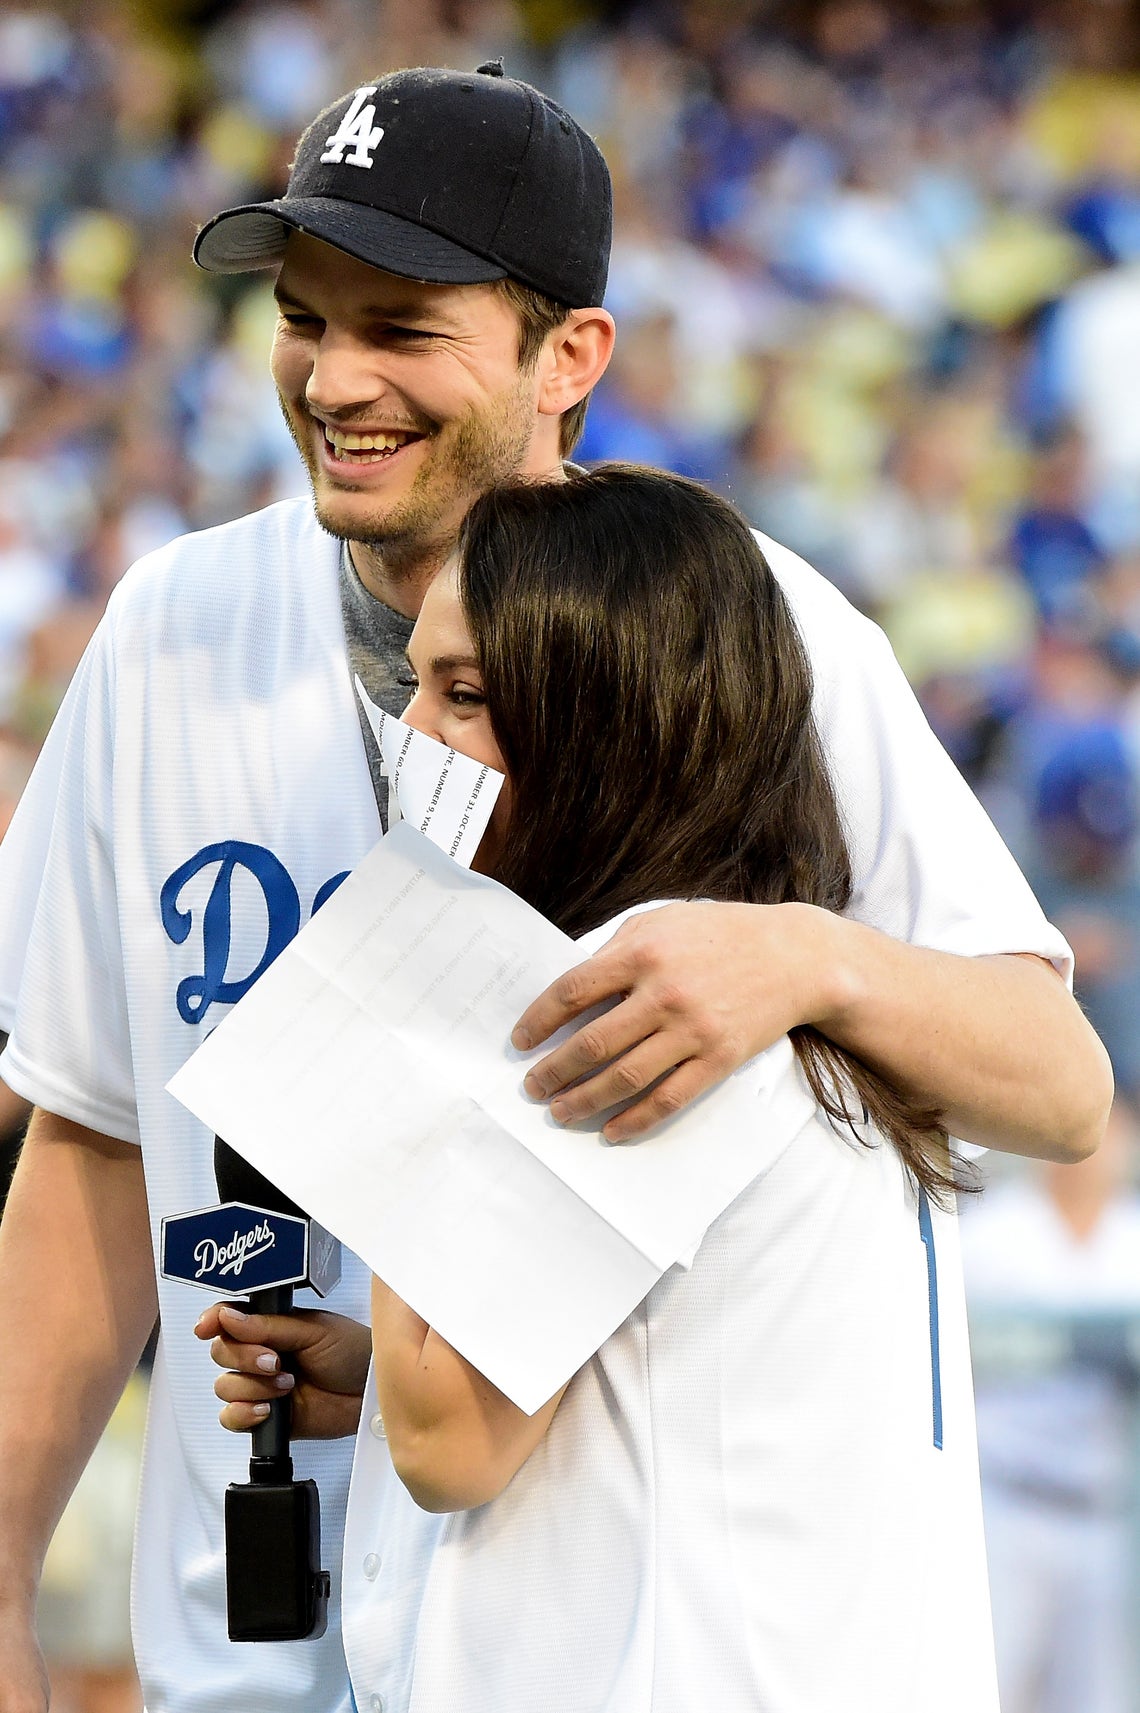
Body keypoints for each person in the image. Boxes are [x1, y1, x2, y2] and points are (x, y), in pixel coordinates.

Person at [0, 62, 1111, 1713]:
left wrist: (808, 956)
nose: (333, 378)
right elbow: (92, 1138)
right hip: (258, 1638)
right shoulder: (168, 634)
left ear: (568, 355)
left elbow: (1053, 1074)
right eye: (306, 317)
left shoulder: (749, 637)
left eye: (404, 326)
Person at [208, 466, 1004, 1711]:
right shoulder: (778, 984)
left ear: (608, 717)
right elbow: (665, 1380)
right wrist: (379, 1371)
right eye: (412, 684)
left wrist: (417, 1038)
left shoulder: (633, 1008)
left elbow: (448, 1446)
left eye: (466, 697)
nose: (415, 736)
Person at [962, 1100, 1140, 1713]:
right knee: (987, 1690)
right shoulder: (991, 1235)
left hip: (1105, 1513)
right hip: (1007, 1502)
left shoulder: (1133, 1239)